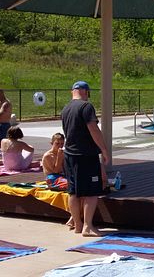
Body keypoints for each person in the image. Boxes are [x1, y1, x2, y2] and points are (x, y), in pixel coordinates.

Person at [61, 81, 110, 237]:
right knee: (91, 191)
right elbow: (93, 129)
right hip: (86, 155)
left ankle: (77, 223)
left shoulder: (66, 108)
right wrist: (104, 149)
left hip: (69, 154)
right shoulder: (85, 107)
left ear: (72, 91)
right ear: (86, 92)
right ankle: (88, 226)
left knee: (73, 192)